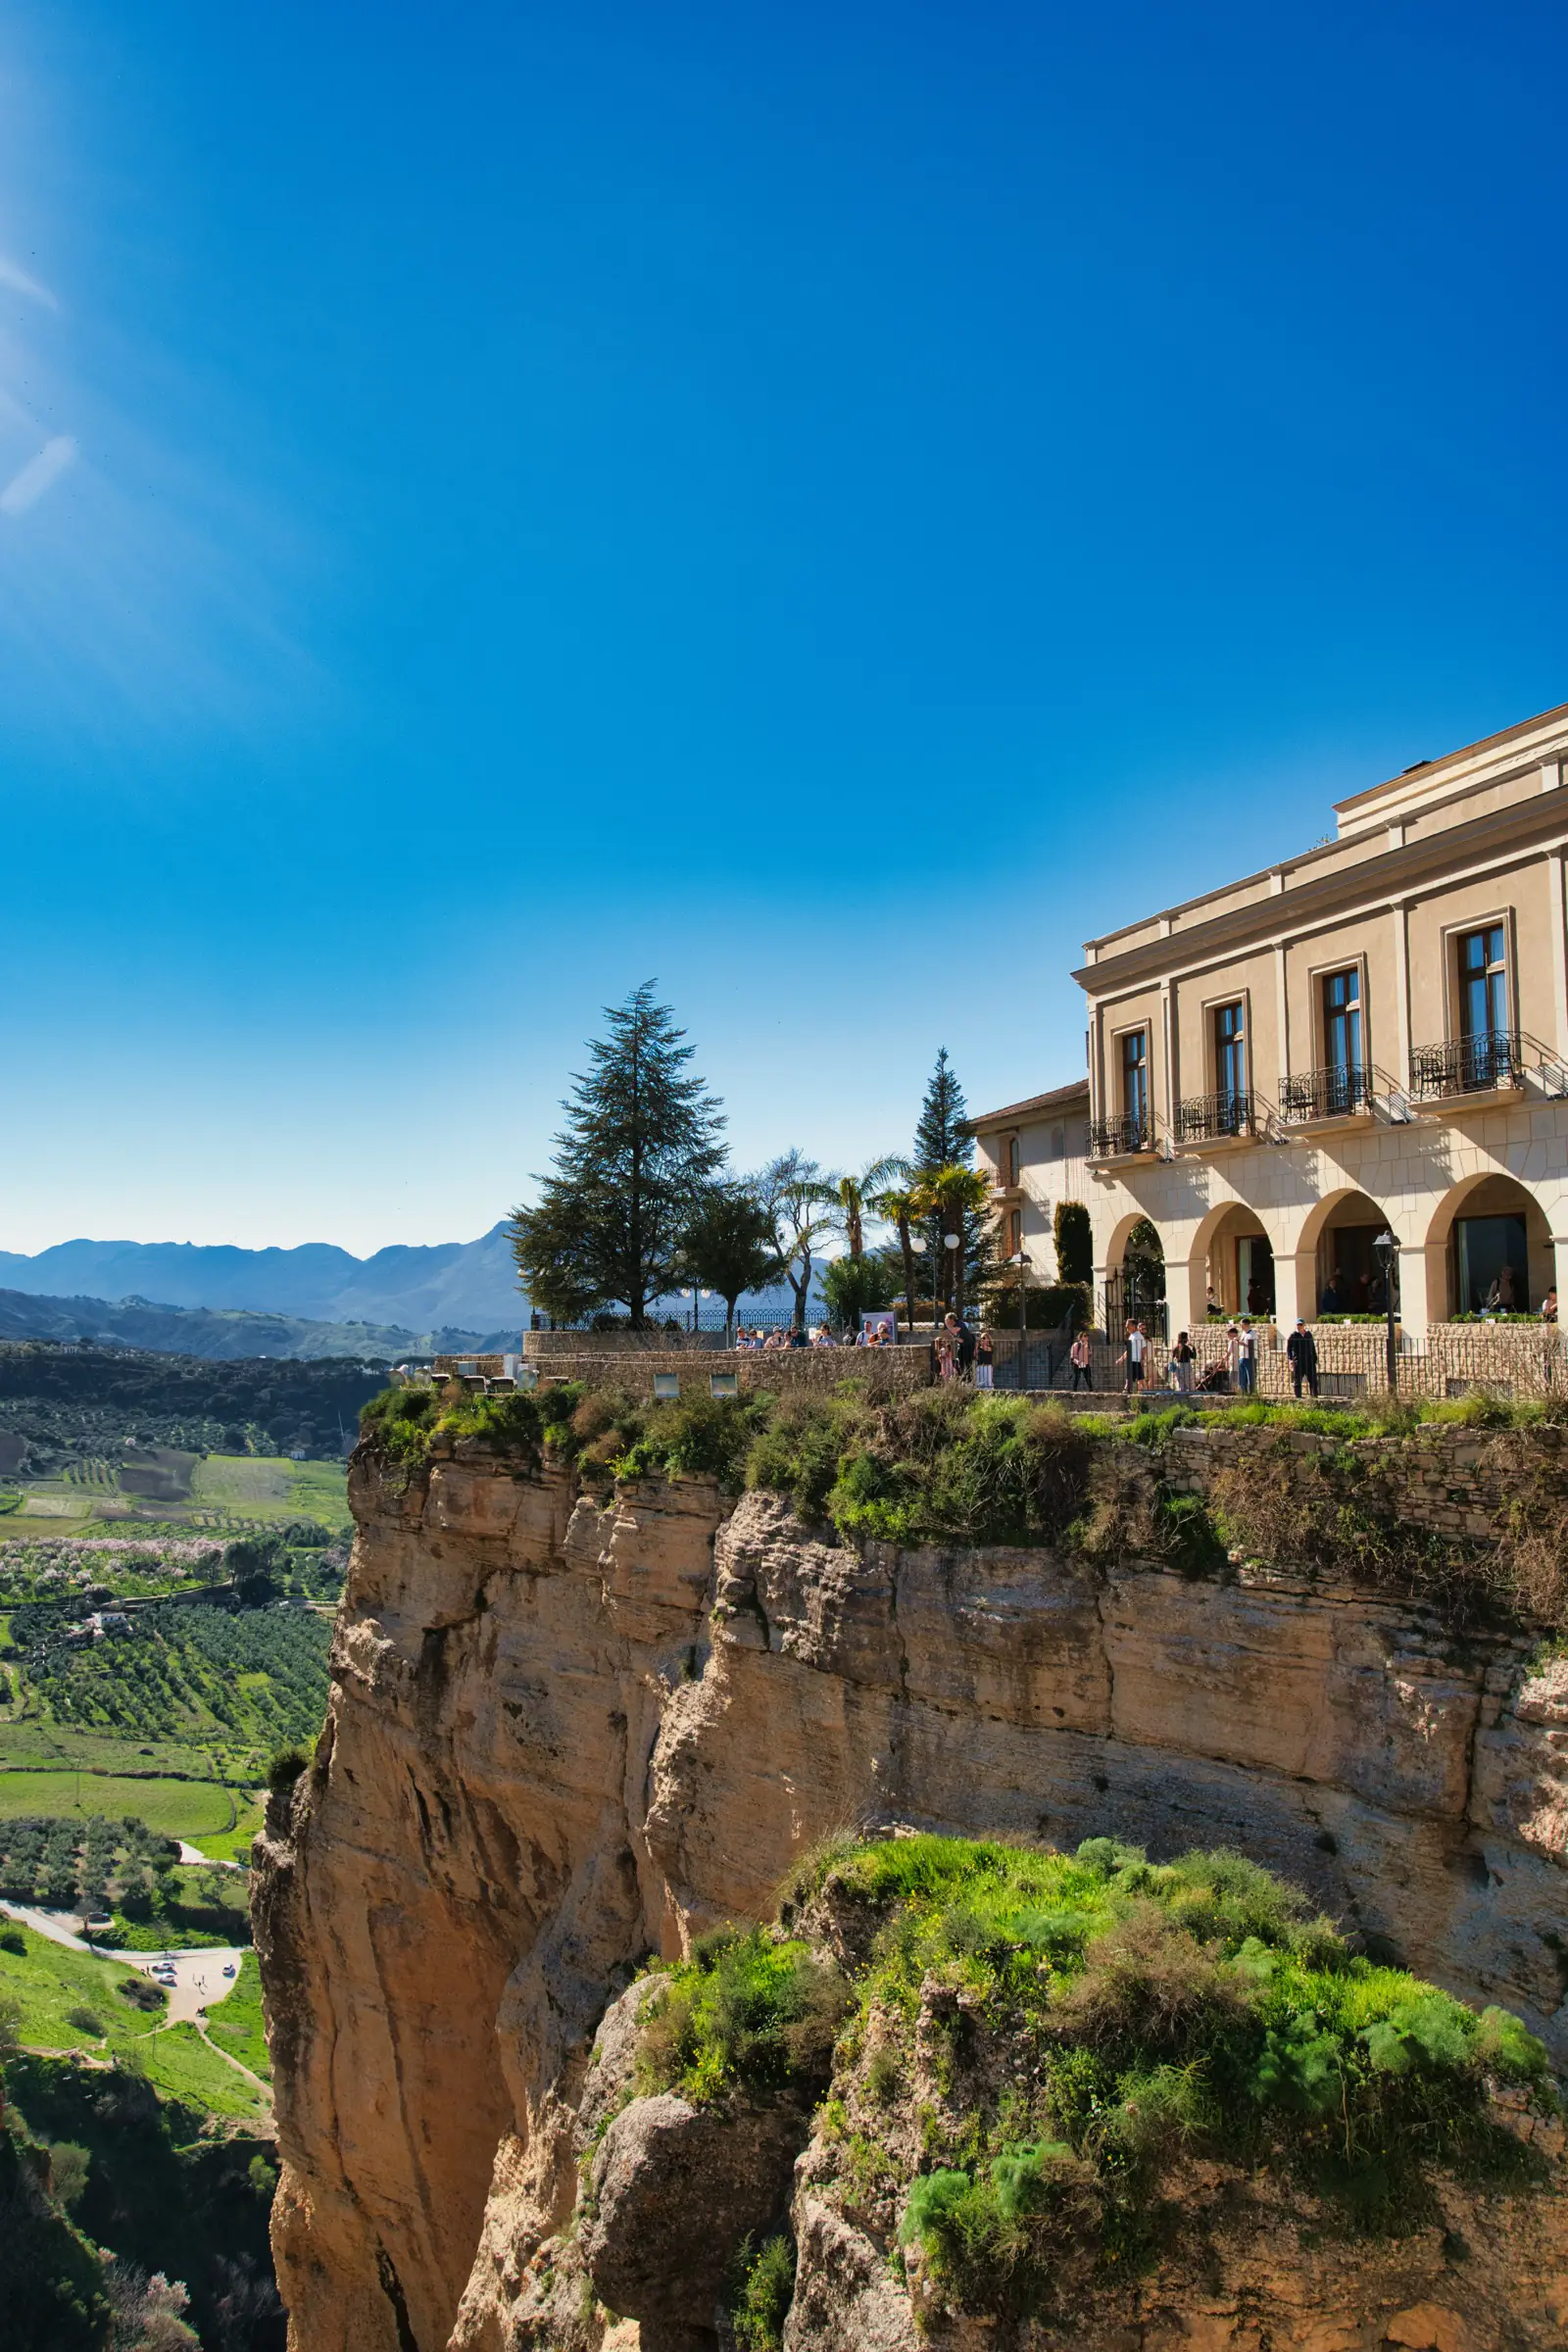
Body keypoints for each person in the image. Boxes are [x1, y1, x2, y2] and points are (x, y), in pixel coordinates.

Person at [1287, 1317, 1319, 1398]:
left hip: (1309, 1360)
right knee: (1297, 1379)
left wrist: (1315, 1358)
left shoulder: (1308, 1334)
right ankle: (1298, 1396)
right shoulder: (1293, 1335)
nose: (1299, 1326)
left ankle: (1314, 1395)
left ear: (1304, 1325)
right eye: (1298, 1324)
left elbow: (1312, 1347)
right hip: (1298, 1360)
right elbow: (1289, 1348)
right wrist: (1290, 1359)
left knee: (1312, 1378)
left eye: (1300, 1324)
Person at [1117, 1318, 1147, 1392]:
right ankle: (1141, 1393)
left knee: (1130, 1378)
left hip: (1135, 1360)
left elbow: (1144, 1348)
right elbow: (1129, 1350)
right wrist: (1122, 1358)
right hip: (1133, 1360)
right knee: (1139, 1379)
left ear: (1133, 1326)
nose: (1126, 1326)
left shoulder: (1138, 1336)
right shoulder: (1132, 1335)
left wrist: (1142, 1358)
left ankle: (1126, 1391)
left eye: (1128, 1325)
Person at [1237, 1319, 1257, 1395]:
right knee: (1242, 1377)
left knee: (1250, 1376)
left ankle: (1252, 1392)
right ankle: (1244, 1392)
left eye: (1241, 1325)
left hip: (1249, 1358)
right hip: (1242, 1357)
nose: (1241, 1326)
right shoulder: (1243, 1333)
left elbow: (1252, 1346)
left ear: (1246, 1324)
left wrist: (1242, 1343)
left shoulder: (1252, 1334)